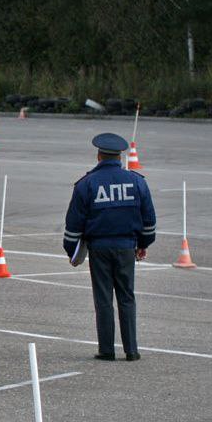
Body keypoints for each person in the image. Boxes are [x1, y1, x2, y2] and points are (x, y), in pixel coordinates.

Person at [63, 133, 156, 361]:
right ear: (120, 156)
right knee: (127, 297)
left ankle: (107, 350)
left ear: (98, 155)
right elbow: (149, 220)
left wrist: (72, 251)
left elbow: (73, 224)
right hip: (126, 247)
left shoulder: (86, 184)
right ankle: (131, 350)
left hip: (99, 249)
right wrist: (142, 244)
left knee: (103, 298)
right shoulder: (137, 181)